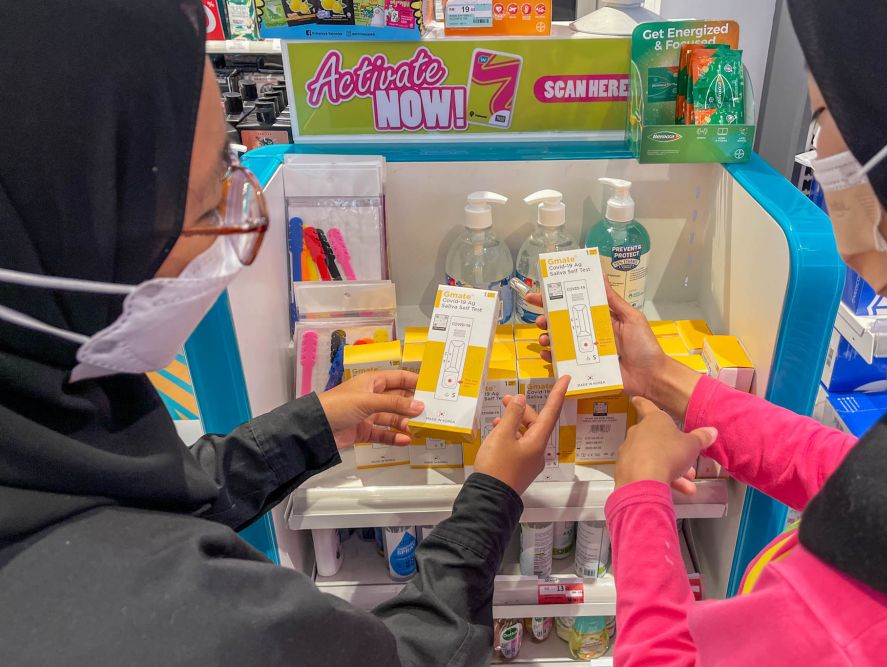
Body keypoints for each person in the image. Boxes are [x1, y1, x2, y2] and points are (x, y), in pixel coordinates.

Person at [0, 3, 568, 665]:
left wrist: (311, 425)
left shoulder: (49, 424)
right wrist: (493, 499)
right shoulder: (191, 626)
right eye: (209, 203)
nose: (239, 230)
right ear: (79, 242)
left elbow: (146, 494)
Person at [528, 3, 887, 663]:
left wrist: (639, 495)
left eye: (823, 120)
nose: (816, 158)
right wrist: (660, 377)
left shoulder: (860, 620)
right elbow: (863, 476)